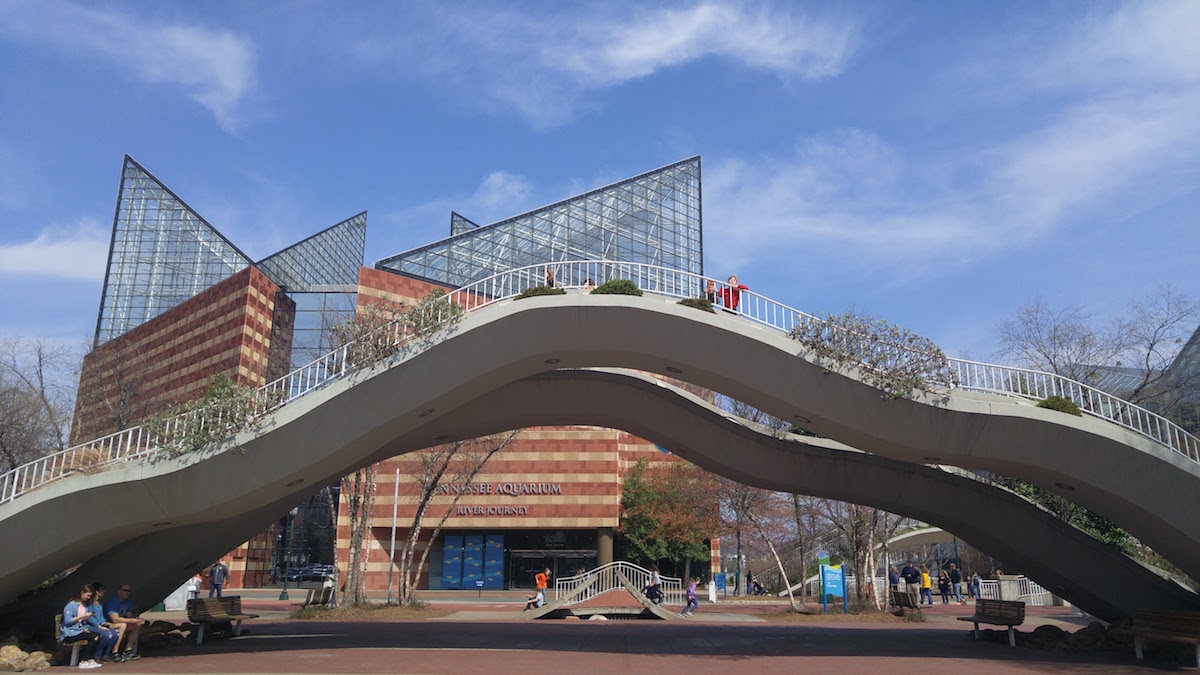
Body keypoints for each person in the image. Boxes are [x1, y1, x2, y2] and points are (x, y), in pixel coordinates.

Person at [62, 585, 104, 669]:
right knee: (92, 637)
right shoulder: (72, 605)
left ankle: (91, 659)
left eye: (90, 596)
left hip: (79, 630)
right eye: (87, 595)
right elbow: (67, 621)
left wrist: (86, 617)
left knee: (98, 635)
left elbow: (81, 620)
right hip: (70, 633)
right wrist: (82, 616)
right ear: (82, 593)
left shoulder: (84, 605)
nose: (88, 598)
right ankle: (83, 660)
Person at [103, 583, 145, 662]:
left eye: (129, 591)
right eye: (125, 590)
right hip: (107, 624)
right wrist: (131, 620)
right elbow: (115, 619)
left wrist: (137, 620)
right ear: (119, 591)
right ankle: (114, 652)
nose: (127, 592)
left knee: (137, 625)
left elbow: (129, 617)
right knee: (122, 625)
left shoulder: (127, 602)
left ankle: (128, 650)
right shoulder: (112, 602)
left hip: (120, 624)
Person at [82, 583, 122, 664]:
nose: (104, 591)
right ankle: (97, 656)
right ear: (97, 592)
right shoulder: (90, 603)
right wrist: (98, 626)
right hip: (90, 626)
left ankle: (106, 655)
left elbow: (101, 616)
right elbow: (89, 618)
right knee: (107, 634)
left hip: (100, 625)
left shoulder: (99, 603)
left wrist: (103, 623)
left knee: (116, 634)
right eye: (102, 589)